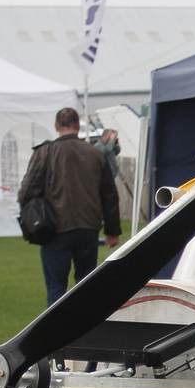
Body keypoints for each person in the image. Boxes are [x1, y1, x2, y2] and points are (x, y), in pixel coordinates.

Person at [19, 108, 121, 306]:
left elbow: (26, 192)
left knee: (56, 289)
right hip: (88, 229)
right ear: (77, 126)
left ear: (57, 127)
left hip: (55, 228)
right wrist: (112, 231)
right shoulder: (96, 154)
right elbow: (109, 195)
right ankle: (84, 332)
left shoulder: (44, 152)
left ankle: (57, 334)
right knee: (85, 288)